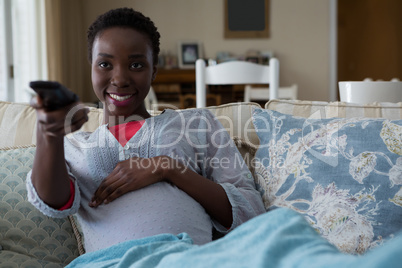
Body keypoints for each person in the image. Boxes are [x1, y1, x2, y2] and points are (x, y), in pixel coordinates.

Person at [26, 7, 266, 253]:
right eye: (105, 64)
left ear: (153, 71)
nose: (119, 78)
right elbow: (52, 202)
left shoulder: (198, 124)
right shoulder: (73, 145)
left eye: (137, 64)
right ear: (92, 69)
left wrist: (166, 167)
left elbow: (251, 211)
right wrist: (49, 136)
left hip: (188, 259)